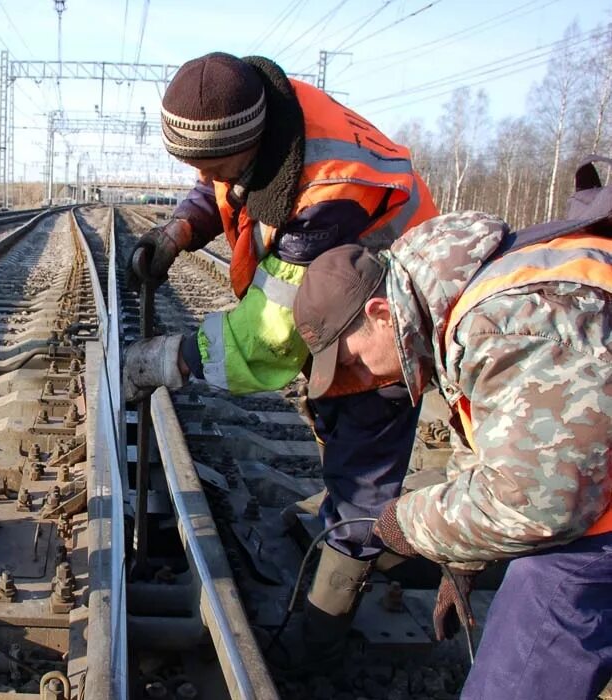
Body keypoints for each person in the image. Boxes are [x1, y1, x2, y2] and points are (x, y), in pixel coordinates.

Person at [122, 51, 437, 662]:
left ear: (249, 143)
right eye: (192, 163)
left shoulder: (330, 190)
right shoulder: (256, 113)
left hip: (386, 328)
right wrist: (179, 230)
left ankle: (321, 633)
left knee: (363, 468)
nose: (202, 174)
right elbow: (221, 185)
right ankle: (342, 538)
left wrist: (175, 358)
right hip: (342, 303)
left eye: (210, 164)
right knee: (337, 431)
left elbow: (272, 333)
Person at [291, 157, 611, 699]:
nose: (360, 379)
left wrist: (408, 524)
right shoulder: (467, 297)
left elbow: (536, 503)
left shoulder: (504, 323)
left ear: (381, 314)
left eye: (352, 362)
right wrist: (463, 557)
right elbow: (492, 443)